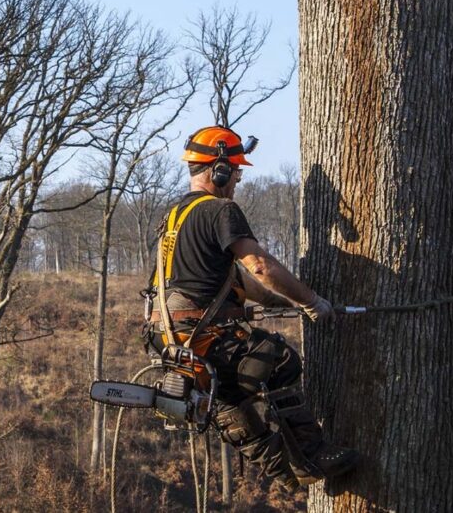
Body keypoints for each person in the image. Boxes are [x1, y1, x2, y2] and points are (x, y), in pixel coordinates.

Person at [146, 125, 358, 491]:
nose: (237, 182)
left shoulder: (175, 217)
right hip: (203, 334)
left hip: (170, 340)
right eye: (236, 173)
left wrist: (277, 300)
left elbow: (234, 282)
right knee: (278, 360)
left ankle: (285, 472)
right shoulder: (219, 210)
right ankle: (312, 453)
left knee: (229, 397)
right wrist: (311, 301)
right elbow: (258, 265)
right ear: (220, 170)